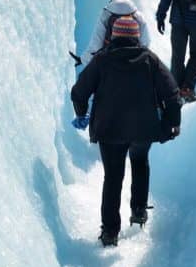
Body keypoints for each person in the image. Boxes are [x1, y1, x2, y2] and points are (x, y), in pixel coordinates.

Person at [70, 16, 182, 247]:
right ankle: (139, 210)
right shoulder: (150, 60)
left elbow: (79, 92)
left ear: (114, 36)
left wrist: (82, 114)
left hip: (109, 130)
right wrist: (172, 122)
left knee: (113, 176)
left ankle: (110, 232)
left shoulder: (102, 60)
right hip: (143, 128)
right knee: (140, 161)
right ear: (136, 36)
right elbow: (172, 93)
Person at [79, 0, 151, 65]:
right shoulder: (137, 14)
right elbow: (145, 41)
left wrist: (83, 59)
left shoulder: (106, 13)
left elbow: (96, 42)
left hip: (111, 60)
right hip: (134, 60)